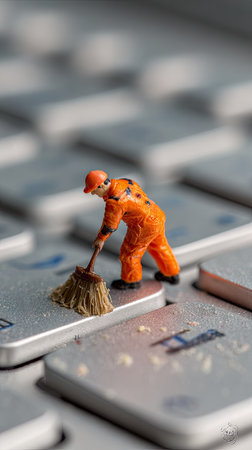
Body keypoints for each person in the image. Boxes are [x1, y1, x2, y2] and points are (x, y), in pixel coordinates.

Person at [84, 170, 180, 290]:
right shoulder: (125, 181)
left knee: (129, 253)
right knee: (159, 246)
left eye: (93, 190)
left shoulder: (115, 202)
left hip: (143, 226)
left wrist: (100, 238)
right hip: (156, 215)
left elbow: (110, 225)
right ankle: (171, 273)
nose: (93, 194)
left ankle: (131, 280)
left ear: (102, 185)